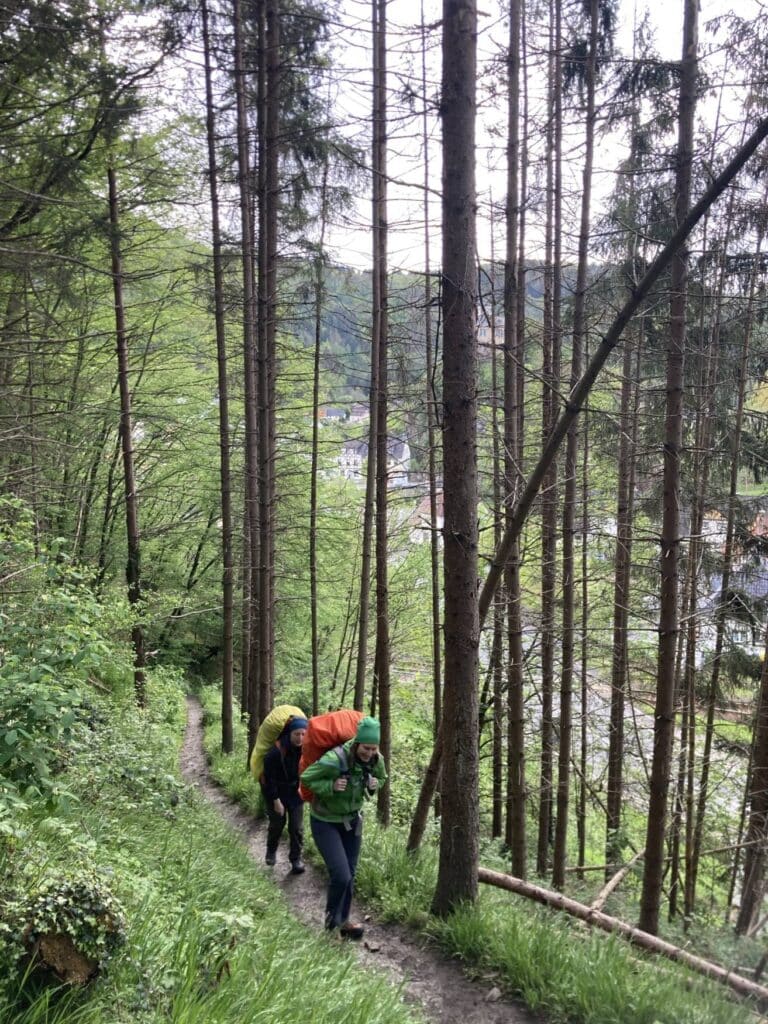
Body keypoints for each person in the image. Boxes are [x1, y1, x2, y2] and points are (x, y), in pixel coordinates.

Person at [299, 715, 387, 939]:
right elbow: (306, 777)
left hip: (352, 821)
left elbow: (382, 777)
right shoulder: (334, 758)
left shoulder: (377, 760)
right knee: (341, 875)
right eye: (366, 748)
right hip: (325, 821)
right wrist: (330, 785)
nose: (369, 753)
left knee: (350, 874)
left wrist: (376, 784)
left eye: (373, 749)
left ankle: (344, 921)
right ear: (357, 743)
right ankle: (331, 924)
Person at [261, 715, 308, 874]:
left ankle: (296, 859)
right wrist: (275, 800)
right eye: (297, 734)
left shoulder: (306, 750)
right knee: (277, 824)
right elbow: (267, 779)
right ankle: (271, 850)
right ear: (289, 733)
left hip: (296, 793)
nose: (300, 738)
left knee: (296, 828)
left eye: (303, 734)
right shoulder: (275, 752)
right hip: (276, 792)